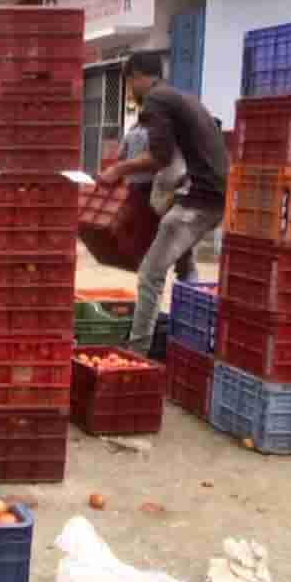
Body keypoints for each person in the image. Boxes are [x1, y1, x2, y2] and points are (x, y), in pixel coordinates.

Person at [98, 52, 229, 356]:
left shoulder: (156, 100)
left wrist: (118, 169)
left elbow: (160, 156)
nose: (130, 92)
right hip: (215, 194)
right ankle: (189, 340)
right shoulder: (182, 97)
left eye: (129, 84)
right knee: (185, 264)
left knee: (150, 274)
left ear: (138, 77)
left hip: (199, 200)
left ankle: (137, 352)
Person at [117, 109, 197, 284]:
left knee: (146, 227)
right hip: (165, 188)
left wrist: (122, 169)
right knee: (172, 236)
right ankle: (183, 274)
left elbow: (121, 156)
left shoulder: (132, 134)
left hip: (141, 186)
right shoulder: (175, 139)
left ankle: (146, 262)